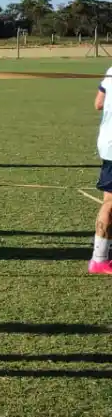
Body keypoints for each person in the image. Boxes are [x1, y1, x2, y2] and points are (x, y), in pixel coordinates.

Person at [89, 66, 112, 274]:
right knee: (110, 204)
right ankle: (99, 260)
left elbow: (98, 103)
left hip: (107, 143)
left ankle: (100, 256)